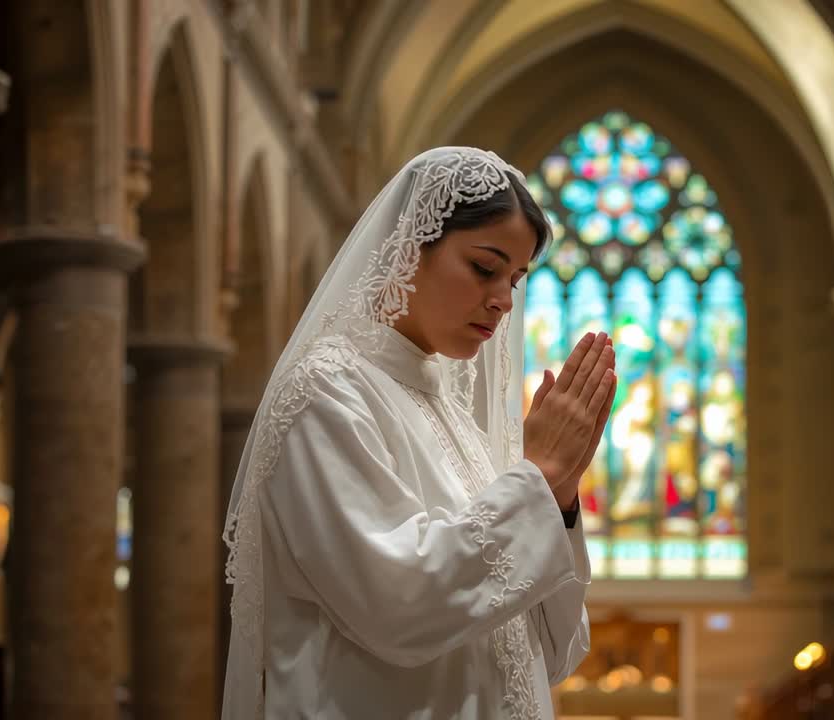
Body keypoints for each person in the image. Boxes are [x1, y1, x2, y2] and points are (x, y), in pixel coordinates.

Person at [221, 147, 617, 719]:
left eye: (516, 278)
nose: (504, 301)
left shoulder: (453, 415)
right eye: (485, 267)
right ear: (409, 246)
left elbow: (550, 651)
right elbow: (397, 605)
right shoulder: (326, 391)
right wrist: (538, 477)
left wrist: (556, 499)